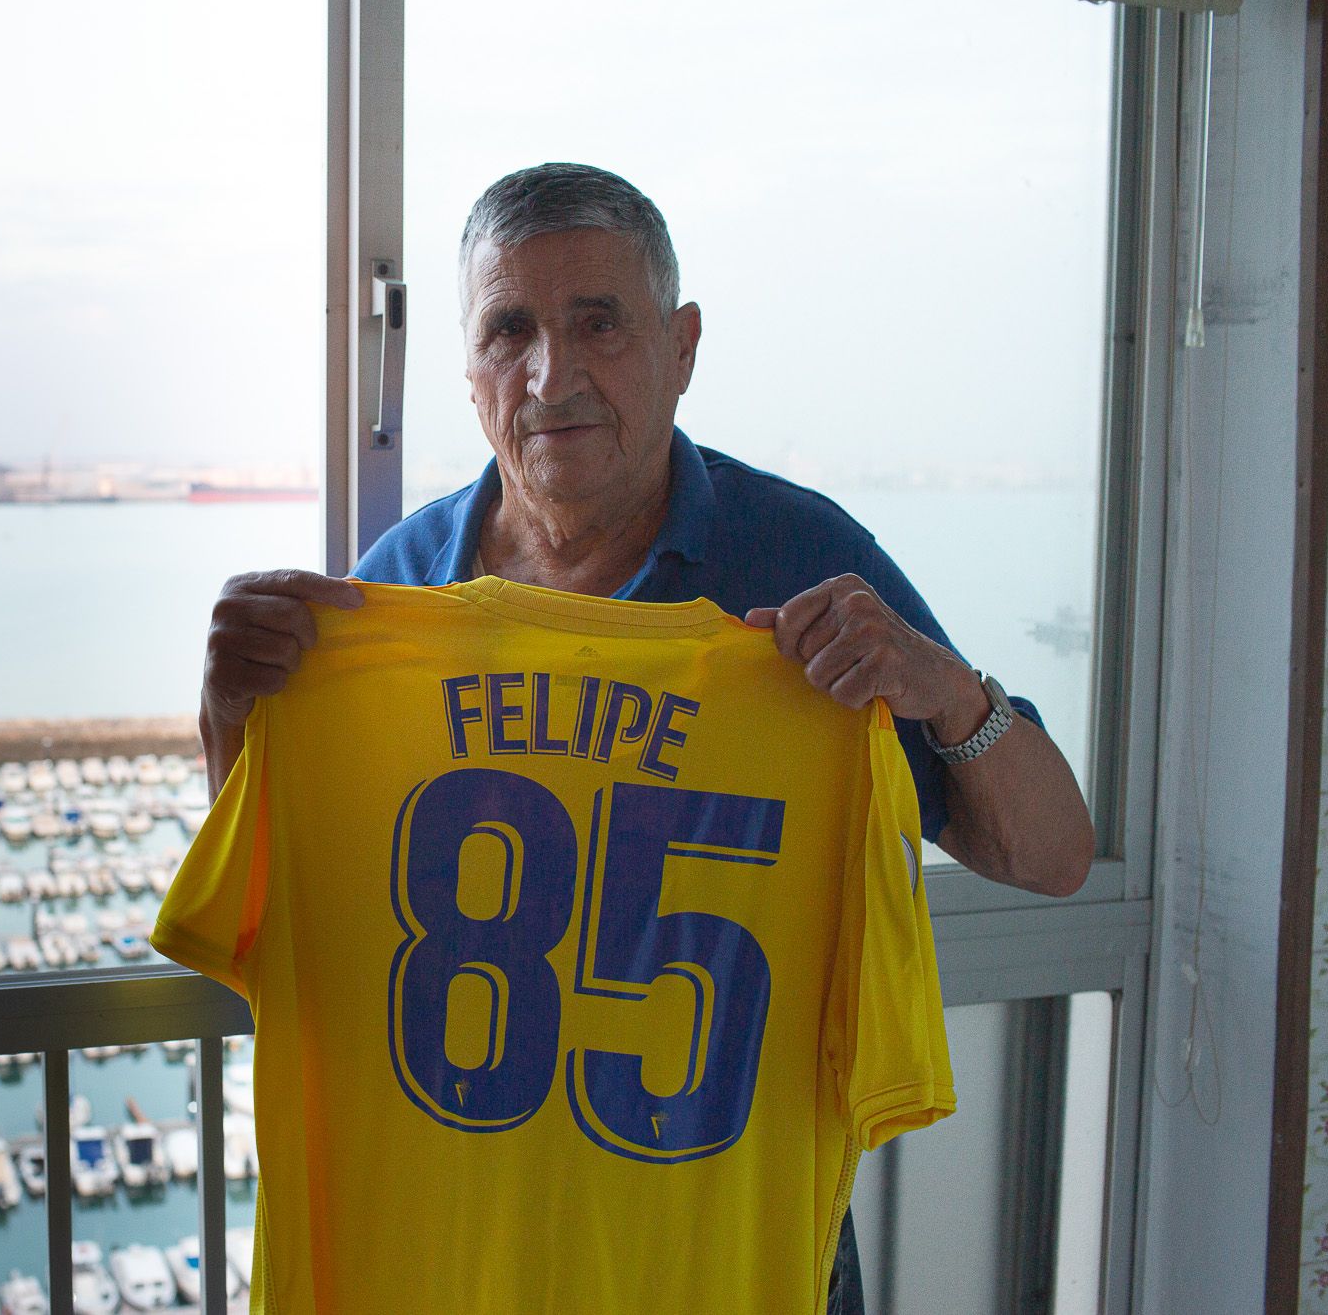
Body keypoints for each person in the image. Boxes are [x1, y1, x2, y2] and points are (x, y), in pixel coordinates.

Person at [197, 162, 1094, 1313]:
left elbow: (1054, 853)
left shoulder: (801, 565)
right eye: (507, 329)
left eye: (597, 323)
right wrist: (231, 714)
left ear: (681, 347)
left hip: (725, 1261)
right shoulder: (392, 599)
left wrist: (939, 687)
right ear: (467, 374)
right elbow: (290, 911)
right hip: (462, 1261)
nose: (550, 372)